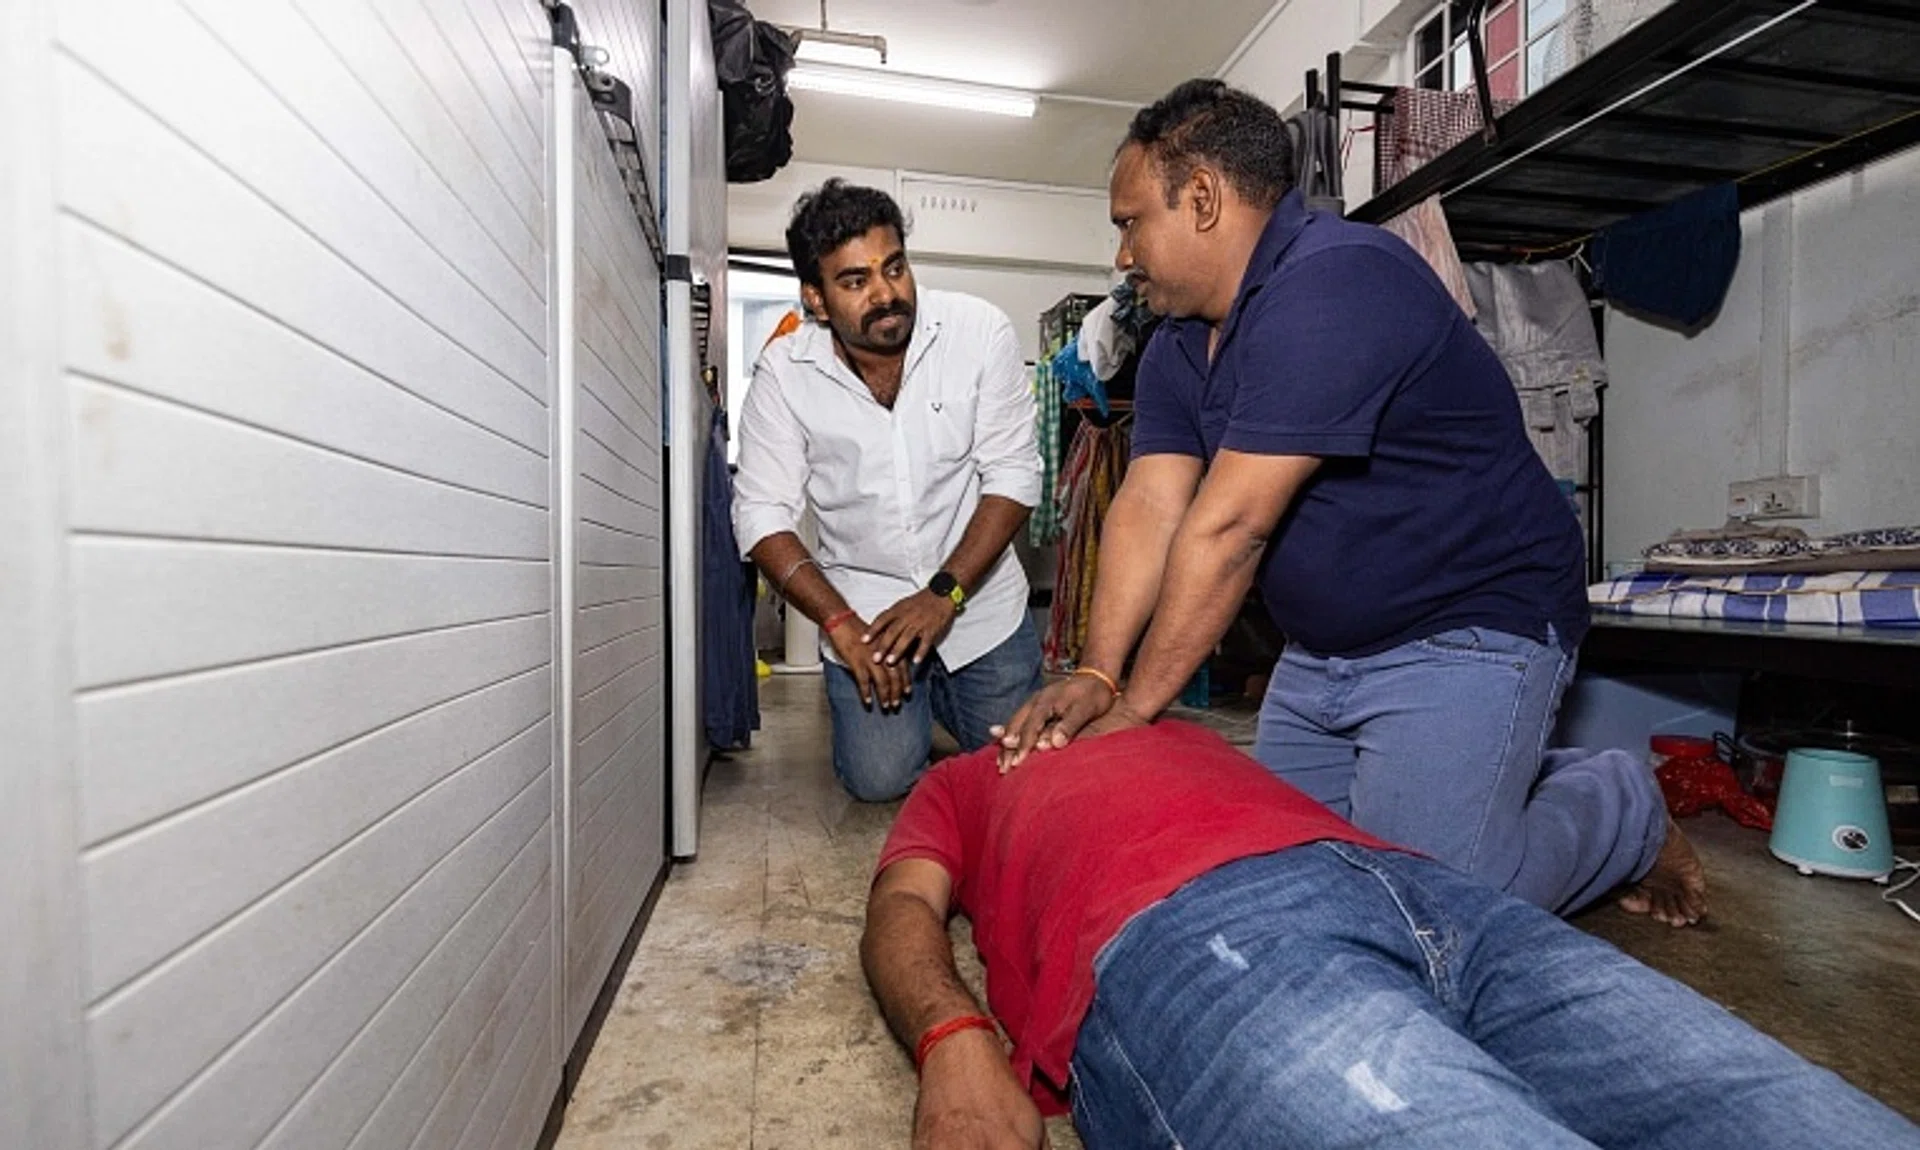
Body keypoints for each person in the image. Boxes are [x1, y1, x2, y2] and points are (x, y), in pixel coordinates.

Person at [994, 79, 1705, 926]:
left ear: (1204, 198)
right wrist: (1099, 672)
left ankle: (1620, 803)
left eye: (1129, 222)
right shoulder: (1178, 344)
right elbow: (1149, 505)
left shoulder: (1336, 283)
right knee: (1290, 875)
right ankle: (1495, 787)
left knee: (1431, 910)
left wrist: (1137, 709)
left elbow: (1230, 526)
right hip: (1325, 651)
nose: (1121, 255)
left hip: (1472, 626)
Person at [865, 722, 1919, 1149]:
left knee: (1794, 1111)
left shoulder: (1162, 716)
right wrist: (950, 1033)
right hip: (1195, 933)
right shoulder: (961, 783)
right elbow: (903, 907)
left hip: (1434, 896)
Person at [733, 179, 1044, 802]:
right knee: (880, 780)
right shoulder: (785, 372)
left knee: (1023, 770)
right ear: (816, 299)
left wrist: (944, 595)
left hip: (980, 607)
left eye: (894, 267)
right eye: (854, 281)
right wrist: (840, 622)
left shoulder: (978, 331)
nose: (886, 294)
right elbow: (761, 514)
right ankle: (910, 726)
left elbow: (1012, 474)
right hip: (867, 616)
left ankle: (950, 715)